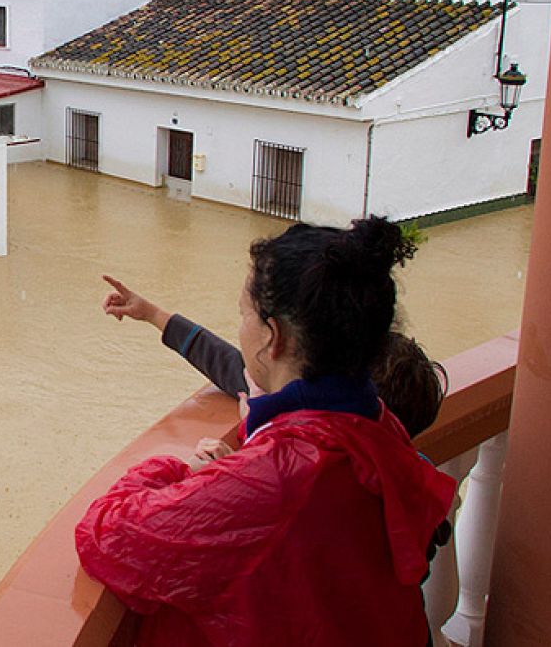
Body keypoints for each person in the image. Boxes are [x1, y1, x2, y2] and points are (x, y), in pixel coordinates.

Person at [75, 217, 457, 646]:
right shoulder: (377, 423)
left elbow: (107, 535)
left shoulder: (279, 478)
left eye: (244, 314)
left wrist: (175, 472)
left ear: (272, 338)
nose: (240, 328)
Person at [101, 277, 448, 438]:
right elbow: (231, 365)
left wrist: (247, 449)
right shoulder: (399, 475)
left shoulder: (301, 446)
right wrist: (152, 314)